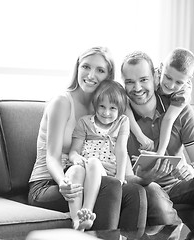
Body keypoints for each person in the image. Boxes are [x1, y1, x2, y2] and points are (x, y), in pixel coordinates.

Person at [28, 46, 146, 231]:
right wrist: (62, 183)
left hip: (87, 177)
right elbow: (52, 156)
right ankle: (85, 226)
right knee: (111, 187)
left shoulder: (101, 109)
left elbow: (119, 149)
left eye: (100, 70)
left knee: (135, 192)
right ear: (77, 68)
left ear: (108, 76)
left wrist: (137, 177)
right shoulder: (62, 102)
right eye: (86, 67)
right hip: (50, 184)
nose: (91, 75)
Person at [121, 50, 194, 230]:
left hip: (178, 186)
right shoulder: (118, 117)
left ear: (155, 76)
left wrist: (192, 169)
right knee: (152, 189)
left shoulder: (181, 110)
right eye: (130, 82)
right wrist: (146, 178)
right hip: (144, 187)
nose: (138, 88)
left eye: (143, 80)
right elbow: (123, 180)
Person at [68, 80, 129, 230]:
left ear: (120, 110)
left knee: (94, 162)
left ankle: (86, 211)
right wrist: (75, 158)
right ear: (95, 104)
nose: (106, 112)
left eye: (112, 108)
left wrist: (120, 177)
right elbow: (74, 151)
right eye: (102, 106)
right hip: (83, 167)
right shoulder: (84, 122)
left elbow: (122, 149)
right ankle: (77, 220)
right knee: (75, 171)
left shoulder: (122, 122)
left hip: (104, 171)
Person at [126, 49, 192, 155]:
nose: (171, 85)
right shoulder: (151, 77)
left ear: (188, 80)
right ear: (161, 68)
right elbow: (124, 99)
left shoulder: (182, 93)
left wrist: (160, 153)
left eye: (179, 82)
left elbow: (168, 119)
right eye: (168, 77)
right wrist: (140, 135)